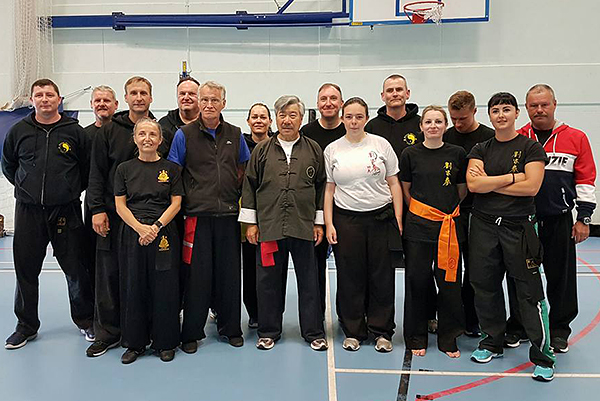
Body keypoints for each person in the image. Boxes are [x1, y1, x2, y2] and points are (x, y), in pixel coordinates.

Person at [467, 92, 556, 382]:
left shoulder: (530, 148)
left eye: (507, 109)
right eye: (495, 110)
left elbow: (532, 187)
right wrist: (512, 176)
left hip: (519, 228)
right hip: (483, 225)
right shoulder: (481, 147)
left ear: (517, 113)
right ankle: (492, 340)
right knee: (485, 285)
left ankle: (543, 354)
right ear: (488, 115)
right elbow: (474, 185)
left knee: (529, 291)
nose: (501, 115)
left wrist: (491, 182)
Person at [1, 78, 94, 349]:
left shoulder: (75, 132)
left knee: (76, 269)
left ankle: (86, 320)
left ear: (58, 99)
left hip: (66, 210)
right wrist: (25, 188)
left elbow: (86, 170)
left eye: (49, 95)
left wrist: (67, 190)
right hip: (28, 212)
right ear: (32, 100)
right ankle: (26, 325)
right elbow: (9, 165)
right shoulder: (19, 131)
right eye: (39, 95)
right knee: (26, 270)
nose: (44, 99)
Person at [506, 84, 597, 353]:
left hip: (559, 220)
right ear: (527, 108)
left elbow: (585, 179)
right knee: (519, 278)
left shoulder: (575, 137)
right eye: (533, 105)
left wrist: (584, 218)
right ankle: (520, 325)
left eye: (544, 104)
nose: (539, 110)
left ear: (555, 104)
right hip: (523, 221)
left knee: (561, 278)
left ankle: (559, 330)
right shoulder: (518, 138)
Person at [239, 95, 328, 351]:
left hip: (303, 227)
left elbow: (322, 186)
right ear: (275, 119)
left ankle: (313, 332)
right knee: (267, 281)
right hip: (269, 227)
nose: (287, 120)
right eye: (282, 115)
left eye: (292, 115)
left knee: (310, 281)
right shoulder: (262, 150)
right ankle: (268, 331)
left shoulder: (313, 149)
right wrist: (251, 224)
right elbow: (249, 187)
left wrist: (318, 222)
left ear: (301, 119)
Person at [168, 81, 250, 352]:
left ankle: (230, 328)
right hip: (196, 217)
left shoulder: (236, 134)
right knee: (196, 277)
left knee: (229, 276)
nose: (209, 104)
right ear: (198, 103)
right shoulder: (184, 134)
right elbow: (174, 173)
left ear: (224, 103)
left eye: (215, 100)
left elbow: (242, 170)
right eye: (204, 100)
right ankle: (191, 333)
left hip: (228, 215)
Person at [323, 97, 402, 352]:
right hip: (346, 220)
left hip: (380, 218)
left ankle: (381, 332)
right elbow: (329, 189)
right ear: (343, 118)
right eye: (349, 116)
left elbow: (394, 183)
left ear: (366, 118)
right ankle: (353, 331)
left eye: (359, 116)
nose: (354, 121)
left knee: (381, 276)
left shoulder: (381, 144)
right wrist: (329, 223)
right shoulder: (333, 149)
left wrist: (398, 218)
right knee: (350, 277)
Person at [86, 76, 156, 357]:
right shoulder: (109, 130)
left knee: (144, 277)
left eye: (143, 93)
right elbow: (96, 173)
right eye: (133, 93)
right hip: (113, 217)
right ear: (125, 98)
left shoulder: (158, 129)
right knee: (108, 274)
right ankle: (107, 333)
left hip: (147, 220)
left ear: (151, 97)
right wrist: (97, 210)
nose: (138, 97)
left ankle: (144, 330)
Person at [114, 118, 183, 364]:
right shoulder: (124, 169)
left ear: (160, 140)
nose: (147, 139)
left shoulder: (172, 170)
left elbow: (176, 203)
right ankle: (135, 343)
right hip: (133, 233)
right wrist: (139, 228)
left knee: (165, 288)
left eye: (152, 134)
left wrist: (155, 227)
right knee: (134, 286)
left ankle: (165, 342)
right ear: (135, 138)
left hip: (162, 232)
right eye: (142, 134)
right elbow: (120, 204)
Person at [400, 105, 467, 358]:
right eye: (428, 122)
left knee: (449, 282)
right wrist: (421, 213)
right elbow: (406, 189)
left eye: (438, 121)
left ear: (445, 126)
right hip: (418, 228)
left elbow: (461, 189)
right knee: (417, 281)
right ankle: (416, 336)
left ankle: (449, 337)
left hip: (448, 227)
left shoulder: (457, 153)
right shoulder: (410, 154)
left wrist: (444, 214)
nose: (433, 126)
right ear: (421, 126)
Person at [444, 91, 495, 337]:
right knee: (450, 268)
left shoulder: (489, 138)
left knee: (477, 270)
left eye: (462, 118)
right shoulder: (446, 137)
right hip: (451, 215)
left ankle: (475, 319)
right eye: (453, 118)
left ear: (475, 111)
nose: (457, 124)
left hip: (481, 213)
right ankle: (452, 318)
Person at [301, 83, 346, 319]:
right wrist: (317, 217)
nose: (328, 103)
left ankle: (348, 315)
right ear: (317, 104)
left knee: (348, 268)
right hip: (314, 212)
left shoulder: (351, 131)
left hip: (347, 211)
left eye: (333, 98)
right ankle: (315, 317)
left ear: (341, 102)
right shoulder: (306, 133)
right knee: (314, 267)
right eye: (323, 99)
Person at [83, 85, 119, 305]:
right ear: (91, 105)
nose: (102, 104)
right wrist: (96, 207)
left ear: (116, 104)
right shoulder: (84, 135)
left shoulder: (124, 133)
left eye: (107, 100)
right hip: (95, 207)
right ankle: (97, 313)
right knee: (95, 261)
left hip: (120, 207)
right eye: (97, 100)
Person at [241, 103, 273, 329]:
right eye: (255, 117)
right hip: (249, 216)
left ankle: (271, 311)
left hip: (274, 215)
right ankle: (253, 312)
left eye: (263, 116)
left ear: (270, 121)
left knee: (271, 266)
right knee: (250, 265)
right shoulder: (240, 146)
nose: (259, 120)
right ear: (248, 121)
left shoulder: (277, 146)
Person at [158, 76, 201, 153]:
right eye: (182, 94)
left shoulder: (208, 123)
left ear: (200, 97)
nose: (186, 97)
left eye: (191, 94)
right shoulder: (164, 125)